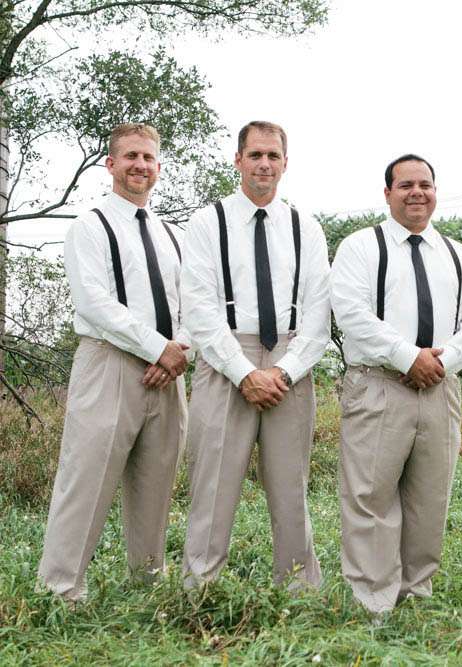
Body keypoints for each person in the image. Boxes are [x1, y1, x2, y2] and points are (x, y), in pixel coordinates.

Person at [329, 154, 462, 616]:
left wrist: (440, 362)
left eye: (425, 184)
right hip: (379, 384)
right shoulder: (361, 247)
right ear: (388, 193)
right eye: (405, 185)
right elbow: (352, 312)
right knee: (371, 495)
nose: (417, 192)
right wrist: (407, 356)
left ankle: (416, 594)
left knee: (429, 498)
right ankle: (373, 601)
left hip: (440, 387)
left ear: (435, 192)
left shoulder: (459, 256)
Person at [37, 123, 189, 600]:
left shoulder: (173, 235)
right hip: (109, 365)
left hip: (170, 374)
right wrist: (157, 347)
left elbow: (195, 305)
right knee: (85, 482)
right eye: (130, 156)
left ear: (158, 167)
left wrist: (178, 351)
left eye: (148, 157)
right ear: (111, 164)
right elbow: (94, 302)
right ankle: (61, 590)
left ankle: (147, 587)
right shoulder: (90, 226)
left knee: (155, 486)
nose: (140, 165)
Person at [180, 121, 330, 589]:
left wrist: (283, 372)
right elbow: (199, 308)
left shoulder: (306, 228)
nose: (264, 164)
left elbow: (318, 316)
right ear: (238, 160)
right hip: (226, 357)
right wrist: (244, 373)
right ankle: (199, 592)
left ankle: (299, 593)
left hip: (289, 359)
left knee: (290, 488)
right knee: (213, 485)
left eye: (273, 156)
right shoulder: (208, 223)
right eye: (255, 155)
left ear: (285, 163)